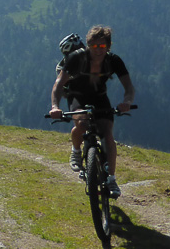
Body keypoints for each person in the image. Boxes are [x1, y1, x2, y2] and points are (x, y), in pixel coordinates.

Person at [49, 25, 135, 199]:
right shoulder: (76, 58)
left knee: (107, 134)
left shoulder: (113, 60)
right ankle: (76, 151)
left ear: (108, 46)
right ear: (88, 45)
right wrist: (55, 106)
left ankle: (111, 179)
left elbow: (129, 86)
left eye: (102, 46)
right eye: (94, 46)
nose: (98, 50)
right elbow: (58, 85)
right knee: (82, 124)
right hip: (77, 96)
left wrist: (127, 102)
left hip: (100, 98)